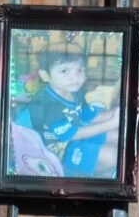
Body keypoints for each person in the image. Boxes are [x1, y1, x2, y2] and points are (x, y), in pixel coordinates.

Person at [16, 46, 121, 179]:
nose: (75, 77)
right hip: (57, 150)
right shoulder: (48, 104)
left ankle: (101, 171)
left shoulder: (73, 92)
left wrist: (114, 115)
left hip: (75, 135)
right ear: (45, 75)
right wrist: (111, 123)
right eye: (64, 71)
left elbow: (87, 115)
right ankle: (96, 176)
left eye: (80, 70)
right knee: (113, 156)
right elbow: (73, 134)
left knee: (118, 136)